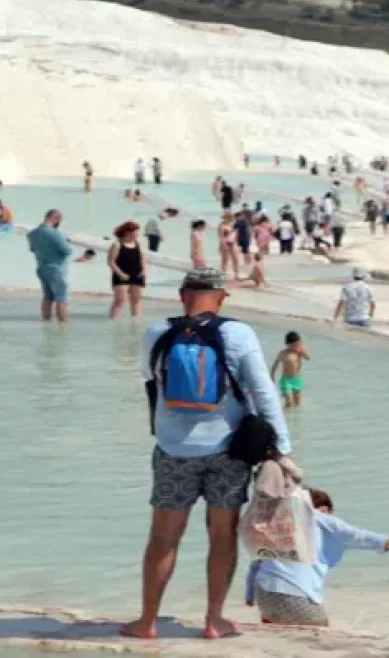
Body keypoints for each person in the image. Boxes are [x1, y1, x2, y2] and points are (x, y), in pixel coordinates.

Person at [123, 268, 292, 641]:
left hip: (172, 451)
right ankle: (214, 620)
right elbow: (263, 392)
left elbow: (149, 381)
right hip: (228, 451)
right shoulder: (237, 333)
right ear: (221, 298)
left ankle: (147, 622)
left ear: (183, 295)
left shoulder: (156, 334)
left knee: (164, 538)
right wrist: (281, 447)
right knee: (222, 534)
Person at [244, 488, 389, 626]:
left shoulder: (281, 523)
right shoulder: (320, 517)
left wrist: (250, 596)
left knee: (286, 644)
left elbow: (257, 561)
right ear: (324, 509)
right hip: (294, 592)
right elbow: (361, 537)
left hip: (265, 592)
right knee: (320, 639)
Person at [27, 209, 73, 322]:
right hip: (56, 269)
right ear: (56, 219)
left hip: (41, 268)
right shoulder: (56, 233)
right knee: (62, 298)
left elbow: (33, 250)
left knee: (48, 297)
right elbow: (67, 251)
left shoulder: (32, 233)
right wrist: (67, 242)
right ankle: (63, 326)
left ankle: (46, 323)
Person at [109, 221, 147, 320]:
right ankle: (113, 322)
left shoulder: (139, 244)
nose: (137, 234)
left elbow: (142, 260)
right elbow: (111, 262)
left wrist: (144, 271)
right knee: (120, 301)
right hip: (121, 275)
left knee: (136, 300)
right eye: (135, 231)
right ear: (127, 232)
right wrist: (121, 274)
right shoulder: (117, 244)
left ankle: (135, 323)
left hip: (137, 275)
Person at [270, 332, 311, 408]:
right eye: (295, 345)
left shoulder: (299, 352)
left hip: (297, 379)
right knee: (288, 400)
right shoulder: (283, 353)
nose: (297, 346)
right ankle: (287, 416)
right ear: (288, 344)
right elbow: (275, 365)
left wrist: (303, 351)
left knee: (297, 401)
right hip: (286, 380)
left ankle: (295, 417)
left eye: (298, 344)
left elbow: (308, 358)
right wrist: (272, 375)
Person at [218, 214, 239, 279]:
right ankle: (223, 274)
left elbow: (236, 235)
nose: (226, 219)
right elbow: (221, 237)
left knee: (235, 259)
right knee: (225, 260)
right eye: (225, 218)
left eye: (228, 218)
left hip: (233, 243)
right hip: (226, 243)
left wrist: (237, 244)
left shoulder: (233, 225)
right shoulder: (221, 226)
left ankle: (236, 275)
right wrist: (223, 245)